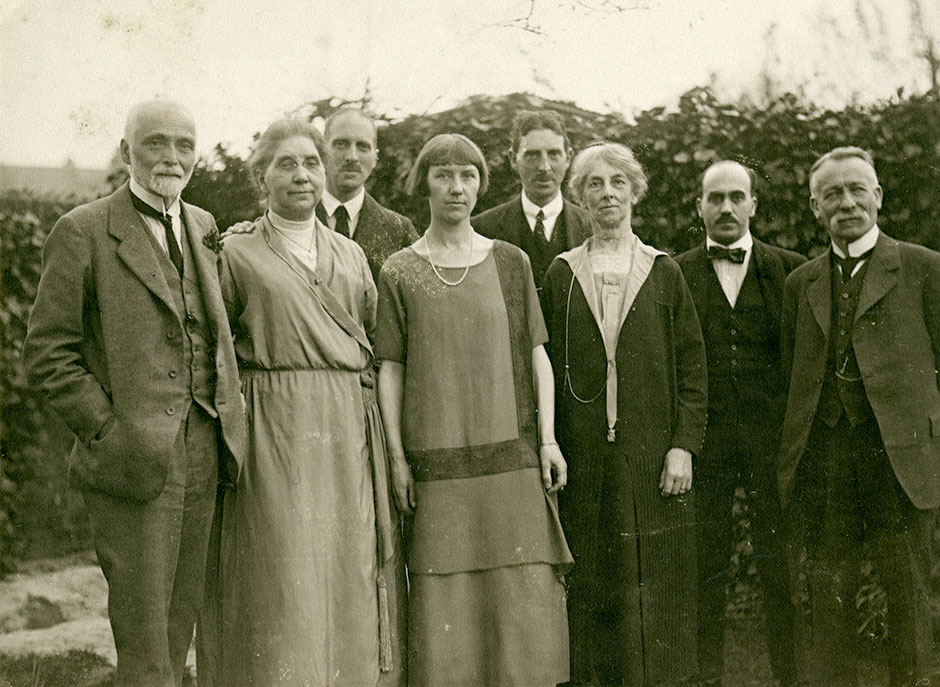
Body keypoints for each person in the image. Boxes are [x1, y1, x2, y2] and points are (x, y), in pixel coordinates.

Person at [24, 99, 247, 687]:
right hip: (133, 463)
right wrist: (107, 431)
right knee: (145, 647)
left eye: (183, 144)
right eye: (155, 143)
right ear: (127, 152)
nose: (171, 157)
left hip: (204, 450)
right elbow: (49, 353)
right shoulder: (83, 230)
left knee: (177, 636)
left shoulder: (202, 226)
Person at [199, 119, 404, 687]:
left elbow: (371, 340)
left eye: (310, 163)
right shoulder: (235, 253)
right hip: (274, 427)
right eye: (285, 164)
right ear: (261, 177)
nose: (301, 175)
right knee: (282, 569)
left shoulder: (352, 254)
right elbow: (216, 351)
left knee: (346, 567)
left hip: (345, 428)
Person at [375, 133, 573, 686]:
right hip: (436, 467)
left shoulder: (510, 262)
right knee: (446, 606)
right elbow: (390, 369)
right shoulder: (399, 270)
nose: (456, 187)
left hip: (511, 462)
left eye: (467, 176)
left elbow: (538, 356)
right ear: (425, 185)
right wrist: (396, 459)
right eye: (443, 175)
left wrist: (549, 442)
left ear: (481, 184)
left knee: (522, 596)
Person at [541, 142, 707, 686]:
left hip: (652, 456)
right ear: (579, 198)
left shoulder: (663, 272)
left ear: (634, 192)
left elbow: (692, 369)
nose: (606, 193)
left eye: (617, 182)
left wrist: (683, 445)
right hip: (585, 455)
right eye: (594, 183)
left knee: (654, 582)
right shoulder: (562, 274)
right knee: (590, 579)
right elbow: (540, 364)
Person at [778, 146, 940, 687]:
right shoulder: (801, 283)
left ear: (878, 196)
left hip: (901, 455)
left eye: (856, 190)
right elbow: (791, 373)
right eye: (832, 194)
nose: (846, 202)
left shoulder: (923, 267)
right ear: (815, 207)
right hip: (827, 457)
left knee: (909, 589)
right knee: (829, 591)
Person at [675, 160, 805, 687]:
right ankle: (706, 676)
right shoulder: (676, 272)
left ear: (753, 205)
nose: (725, 207)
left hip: (773, 443)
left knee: (781, 564)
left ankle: (793, 676)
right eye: (715, 198)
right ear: (699, 207)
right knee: (704, 563)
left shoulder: (790, 270)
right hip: (705, 441)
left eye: (736, 197)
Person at [472, 109, 591, 289]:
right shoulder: (482, 229)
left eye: (553, 154)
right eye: (532, 155)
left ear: (568, 158)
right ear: (513, 159)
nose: (544, 167)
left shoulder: (593, 228)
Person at [315, 107, 418, 282]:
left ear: (374, 158)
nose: (352, 157)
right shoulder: (294, 220)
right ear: (322, 152)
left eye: (363, 147)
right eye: (341, 144)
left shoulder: (400, 231)